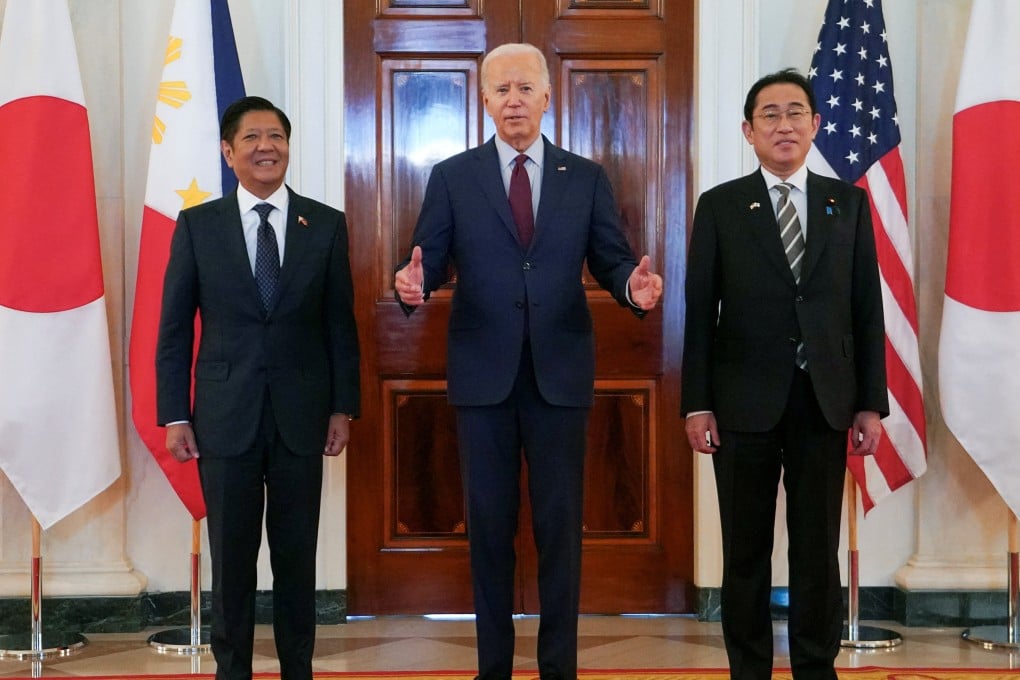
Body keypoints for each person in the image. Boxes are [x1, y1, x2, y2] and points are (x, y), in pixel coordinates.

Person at [394, 42, 662, 680]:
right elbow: (425, 259)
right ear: (484, 101)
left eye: (525, 88)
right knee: (488, 533)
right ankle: (493, 668)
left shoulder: (585, 177)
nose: (513, 100)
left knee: (560, 532)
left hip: (559, 376)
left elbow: (611, 259)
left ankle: (557, 669)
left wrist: (632, 288)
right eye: (501, 89)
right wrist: (413, 287)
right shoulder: (454, 177)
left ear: (548, 97)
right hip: (482, 378)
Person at [681, 68, 888, 680]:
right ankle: (748, 670)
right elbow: (700, 314)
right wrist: (698, 404)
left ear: (815, 124)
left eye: (795, 111)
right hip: (742, 404)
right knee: (744, 553)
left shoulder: (846, 204)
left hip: (825, 402)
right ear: (748, 131)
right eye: (768, 114)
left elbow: (866, 309)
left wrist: (869, 403)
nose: (783, 124)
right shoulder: (718, 207)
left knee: (817, 553)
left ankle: (814, 669)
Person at [155, 96, 360, 680]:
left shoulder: (324, 224)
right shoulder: (199, 225)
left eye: (276, 136)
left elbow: (339, 324)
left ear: (288, 148)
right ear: (228, 151)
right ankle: (232, 672)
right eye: (251, 137)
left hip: (303, 417)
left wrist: (343, 407)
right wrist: (175, 414)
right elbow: (173, 329)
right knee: (234, 561)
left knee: (298, 559)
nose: (265, 146)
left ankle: (300, 668)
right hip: (224, 417)